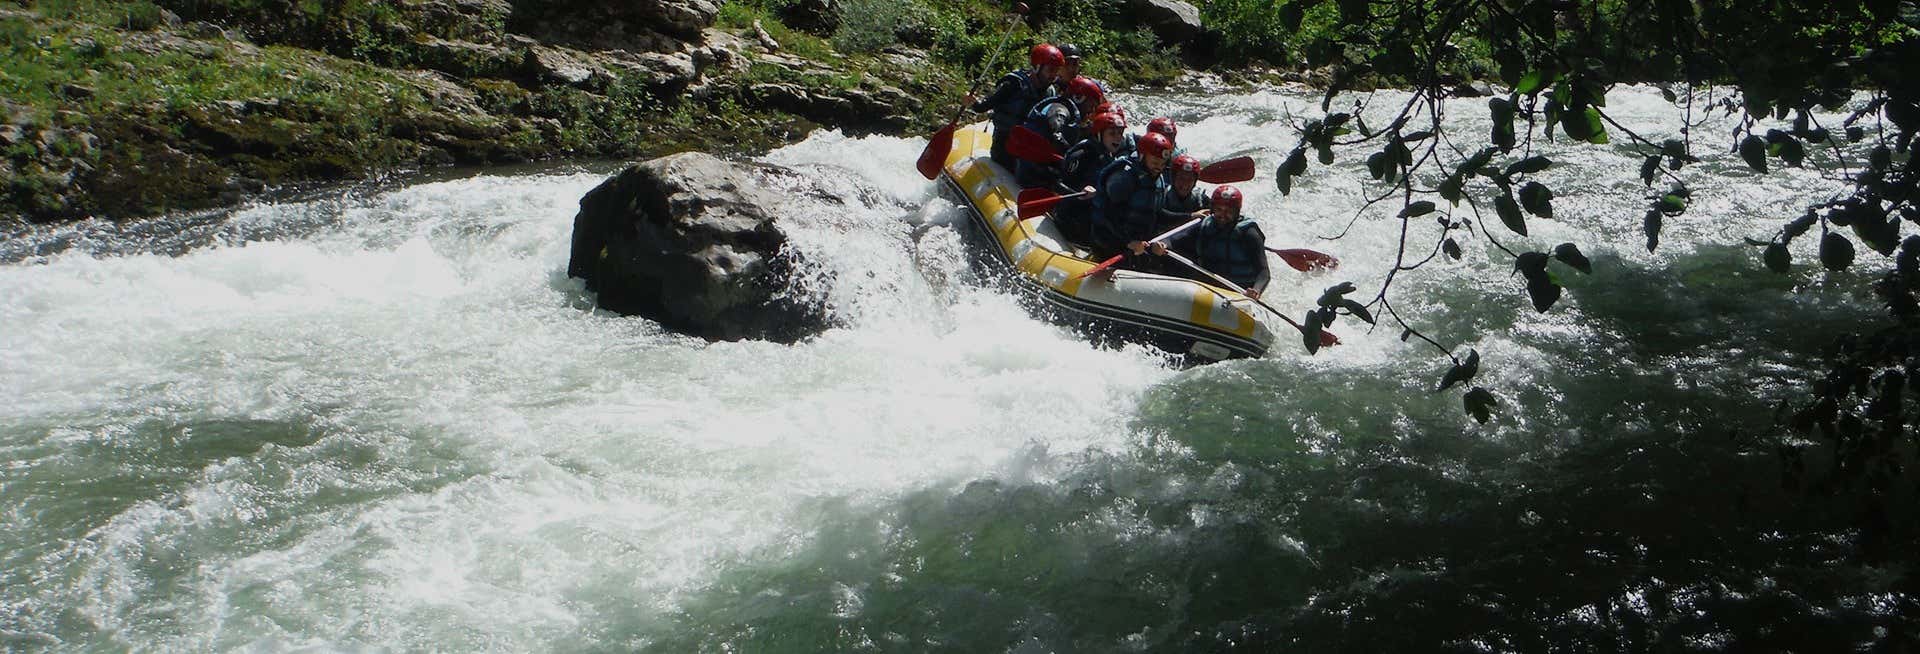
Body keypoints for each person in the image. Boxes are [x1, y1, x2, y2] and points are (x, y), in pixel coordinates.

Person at [1156, 185, 1270, 298]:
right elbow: (1174, 238)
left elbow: (1264, 272)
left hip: (1240, 292)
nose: (1223, 215)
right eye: (1219, 210)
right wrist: (1163, 244)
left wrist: (1256, 290)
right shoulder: (1205, 225)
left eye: (1229, 211)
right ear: (1212, 209)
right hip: (1210, 289)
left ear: (1237, 212)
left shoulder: (1249, 233)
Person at [965, 44, 1065, 168]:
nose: (1053, 76)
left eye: (1056, 71)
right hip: (1003, 144)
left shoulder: (1050, 92)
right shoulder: (1014, 85)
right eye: (1050, 70)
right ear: (1037, 67)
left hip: (1027, 147)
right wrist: (973, 102)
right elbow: (983, 106)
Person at [1090, 131, 1174, 267]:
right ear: (1142, 156)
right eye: (1155, 162)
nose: (1159, 167)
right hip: (1110, 240)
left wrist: (1189, 216)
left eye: (1162, 163)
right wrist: (1128, 242)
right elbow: (1108, 215)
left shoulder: (1158, 179)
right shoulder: (1124, 177)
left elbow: (1157, 213)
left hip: (1138, 243)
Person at [1048, 111, 1129, 245]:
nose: (1118, 138)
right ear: (1099, 134)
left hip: (1094, 214)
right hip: (1071, 215)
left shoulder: (1111, 156)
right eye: (1112, 134)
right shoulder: (1081, 154)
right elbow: (1058, 185)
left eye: (1120, 134)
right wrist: (1079, 193)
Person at [1156, 154, 1211, 232]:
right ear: (1173, 178)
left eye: (1190, 179)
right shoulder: (1162, 196)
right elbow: (1160, 215)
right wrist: (1191, 216)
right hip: (1166, 241)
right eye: (1181, 178)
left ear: (1195, 182)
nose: (1185, 183)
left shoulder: (1201, 197)